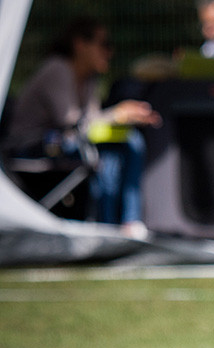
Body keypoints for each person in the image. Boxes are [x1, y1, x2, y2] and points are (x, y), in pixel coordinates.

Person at [4, 16, 161, 231]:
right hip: (33, 146)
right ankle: (106, 225)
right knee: (103, 154)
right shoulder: (58, 69)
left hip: (67, 142)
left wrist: (125, 116)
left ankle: (129, 221)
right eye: (104, 44)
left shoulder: (88, 78)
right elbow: (70, 121)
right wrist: (117, 114)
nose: (109, 52)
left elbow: (90, 122)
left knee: (130, 140)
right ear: (80, 44)